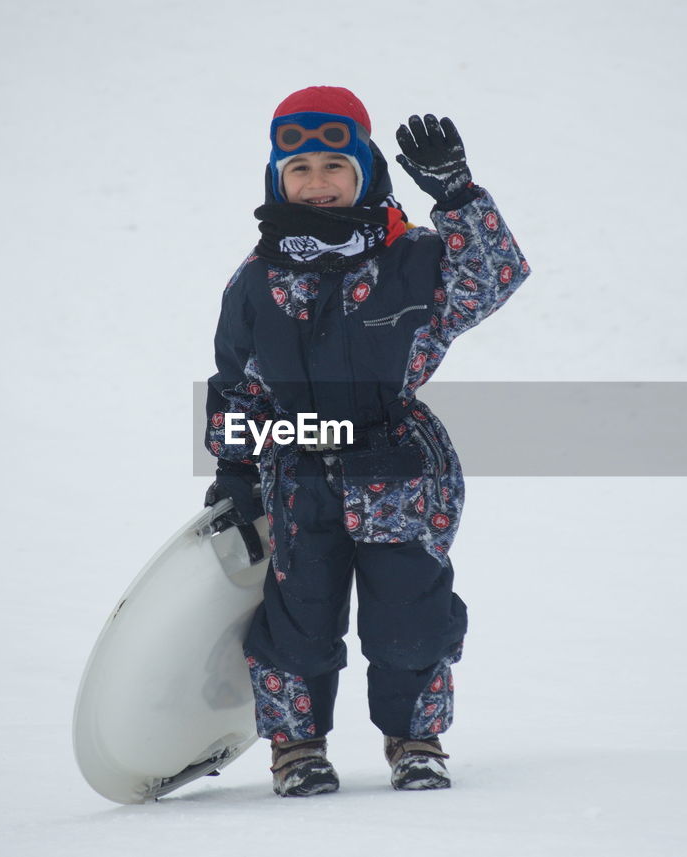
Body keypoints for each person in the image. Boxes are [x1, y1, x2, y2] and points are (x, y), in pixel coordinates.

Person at [203, 85, 529, 796]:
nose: (316, 183)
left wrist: (458, 196)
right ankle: (297, 747)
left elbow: (492, 279)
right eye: (300, 170)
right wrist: (233, 468)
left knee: (412, 614)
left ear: (364, 170)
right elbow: (238, 384)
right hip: (298, 477)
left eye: (333, 166)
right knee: (298, 617)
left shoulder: (412, 257)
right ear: (276, 177)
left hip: (401, 471)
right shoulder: (258, 280)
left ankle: (415, 740)